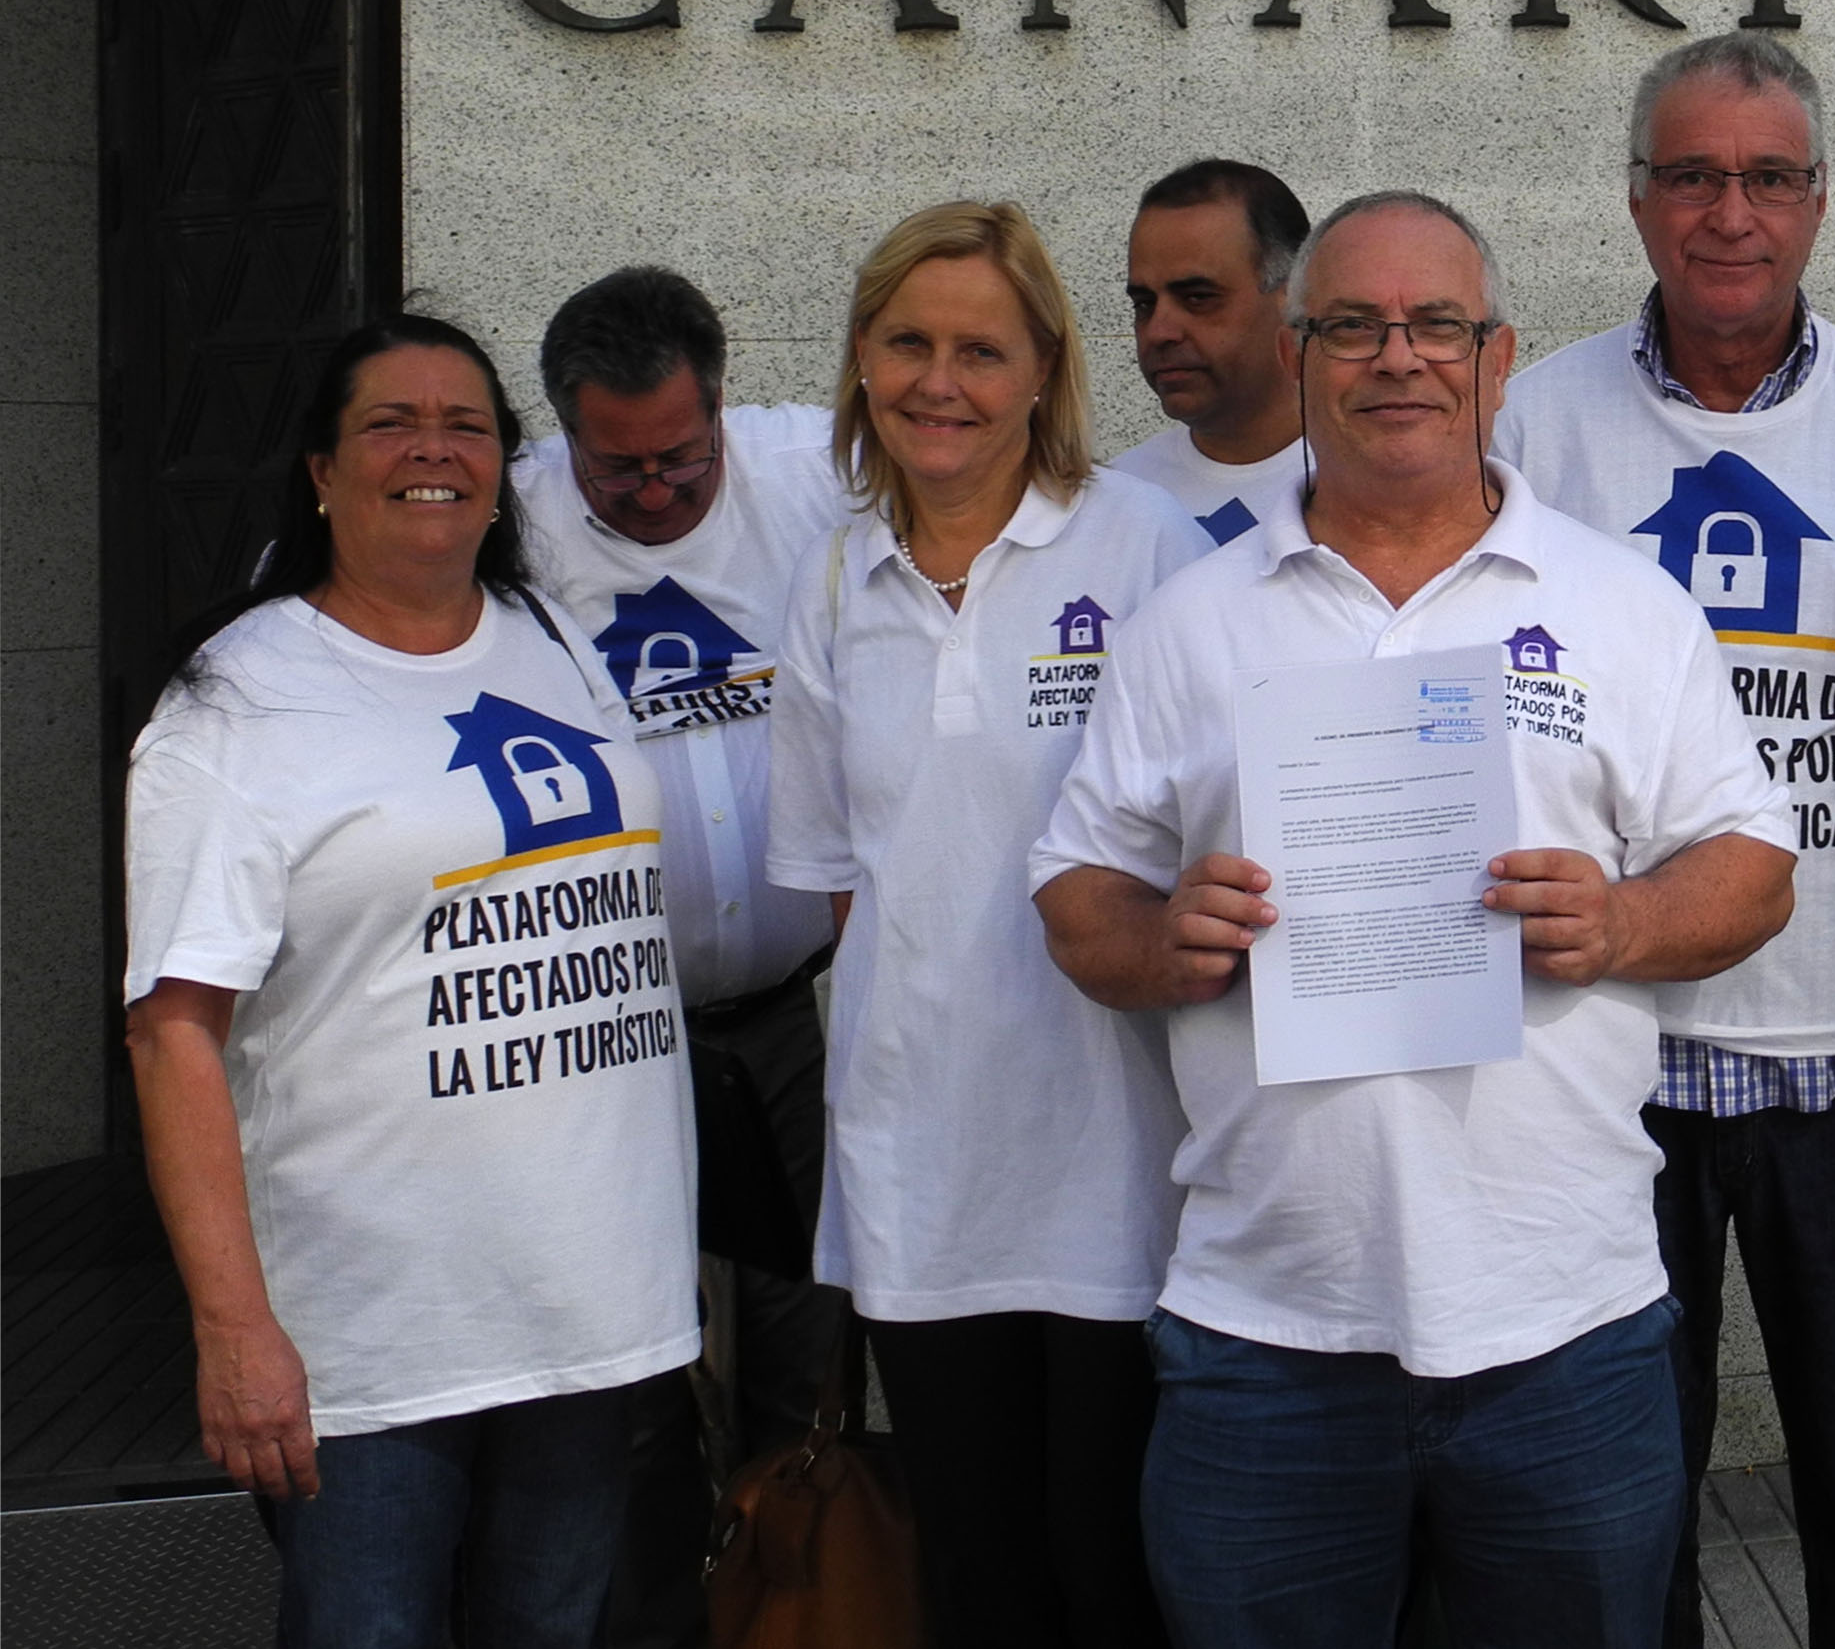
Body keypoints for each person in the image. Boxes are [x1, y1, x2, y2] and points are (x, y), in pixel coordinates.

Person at [1031, 190, 1798, 1649]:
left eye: (1436, 326)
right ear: (1301, 355)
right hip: (1267, 1327)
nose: (1400, 359)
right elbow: (1077, 892)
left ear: (1496, 358)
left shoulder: (1621, 606)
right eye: (1356, 328)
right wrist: (1160, 939)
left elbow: (1752, 867)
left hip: (1562, 1326)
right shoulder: (1193, 620)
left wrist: (1623, 924)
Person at [1493, 35, 1835, 1649]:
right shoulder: (1531, 428)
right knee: (1624, 1534)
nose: (1728, 213)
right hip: (1599, 1075)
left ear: (1819, 204)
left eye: (1766, 176)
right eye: (1691, 173)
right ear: (1634, 198)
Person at [122, 314, 696, 1648]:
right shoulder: (235, 706)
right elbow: (175, 1038)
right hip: (377, 1343)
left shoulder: (549, 637)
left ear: (503, 468)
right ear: (320, 471)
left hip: (590, 1310)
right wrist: (233, 1329)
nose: (434, 450)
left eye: (468, 426)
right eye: (391, 424)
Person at [765, 200, 1207, 1649]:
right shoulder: (833, 578)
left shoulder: (1142, 550)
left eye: (979, 349)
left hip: (1117, 1164)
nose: (937, 382)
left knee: (1116, 1573)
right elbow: (851, 889)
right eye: (905, 343)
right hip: (924, 1178)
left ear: (1042, 372)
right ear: (860, 362)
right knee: (978, 1583)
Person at [509, 266, 852, 1642]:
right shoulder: (506, 514)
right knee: (629, 1384)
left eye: (679, 461)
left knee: (806, 1351)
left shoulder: (807, 470)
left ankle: (806, 1612)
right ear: (562, 438)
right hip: (605, 1033)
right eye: (619, 471)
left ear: (723, 408)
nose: (653, 496)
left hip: (789, 1018)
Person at [1108, 158, 1314, 547]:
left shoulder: (1368, 486)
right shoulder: (1110, 502)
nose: (1159, 332)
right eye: (1144, 304)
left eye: (1198, 298)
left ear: (1294, 301)